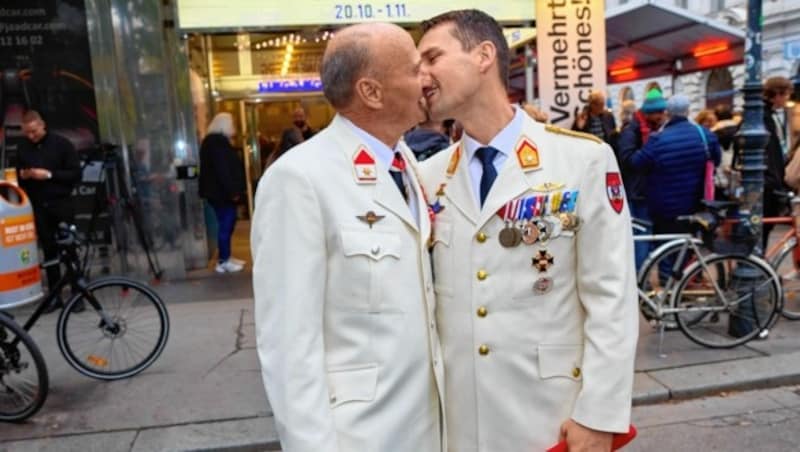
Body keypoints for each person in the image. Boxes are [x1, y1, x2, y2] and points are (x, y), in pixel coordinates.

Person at [418, 9, 638, 452]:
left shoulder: (581, 160)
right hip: (459, 424)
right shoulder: (428, 176)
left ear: (483, 56)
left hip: (548, 416)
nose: (420, 75)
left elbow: (611, 296)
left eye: (432, 58)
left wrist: (599, 414)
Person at [251, 23, 444, 452]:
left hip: (425, 430)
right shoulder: (298, 178)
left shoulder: (404, 161)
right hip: (359, 436)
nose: (426, 79)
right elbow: (288, 345)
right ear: (371, 92)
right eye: (414, 70)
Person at [17, 110, 82, 313]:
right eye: (27, 133)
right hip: (39, 205)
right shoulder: (22, 148)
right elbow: (17, 177)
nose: (31, 136)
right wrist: (25, 175)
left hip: (61, 203)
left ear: (42, 125)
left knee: (70, 250)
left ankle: (78, 294)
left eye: (34, 132)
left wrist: (48, 175)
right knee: (49, 252)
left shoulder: (62, 144)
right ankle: (55, 296)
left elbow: (75, 174)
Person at [630, 95, 721, 236]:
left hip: (665, 207)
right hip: (696, 203)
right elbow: (716, 161)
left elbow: (637, 162)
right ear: (688, 111)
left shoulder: (658, 138)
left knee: (667, 246)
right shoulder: (706, 135)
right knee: (689, 243)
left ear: (667, 113)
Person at [617, 87, 667, 269]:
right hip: (637, 194)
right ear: (649, 113)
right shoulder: (632, 131)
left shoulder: (651, 129)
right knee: (641, 240)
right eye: (659, 112)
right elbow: (629, 160)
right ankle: (639, 281)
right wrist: (653, 143)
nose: (662, 116)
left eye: (663, 112)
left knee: (647, 238)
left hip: (648, 192)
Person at [199, 112, 246, 273]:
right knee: (226, 224)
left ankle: (226, 257)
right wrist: (232, 191)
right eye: (231, 122)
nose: (234, 125)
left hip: (218, 193)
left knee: (227, 224)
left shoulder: (212, 142)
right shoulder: (217, 143)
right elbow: (223, 170)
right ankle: (223, 260)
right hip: (221, 193)